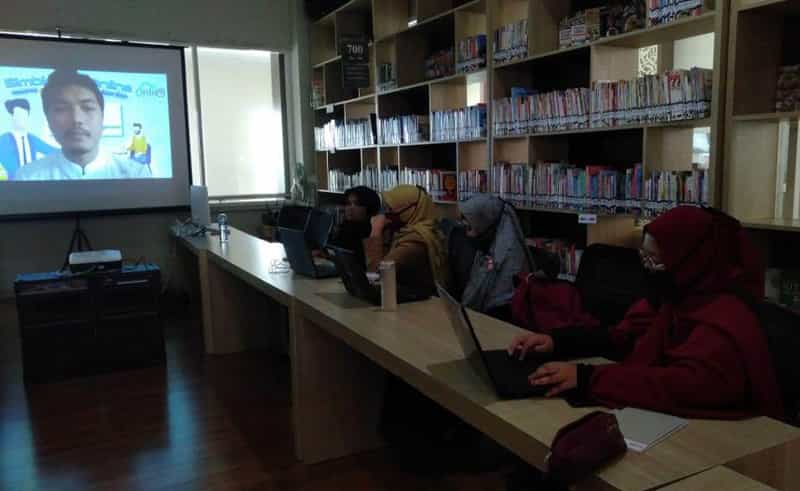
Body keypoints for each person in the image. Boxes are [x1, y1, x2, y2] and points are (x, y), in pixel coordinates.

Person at [507, 206, 784, 421]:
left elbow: (686, 386)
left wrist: (588, 378)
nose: (647, 268)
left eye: (656, 260)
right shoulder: (676, 297)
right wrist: (556, 342)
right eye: (644, 257)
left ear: (691, 263)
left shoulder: (724, 316)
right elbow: (620, 337)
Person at [15, 69, 151, 181]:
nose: (76, 119)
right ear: (48, 119)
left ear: (102, 116)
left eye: (87, 108)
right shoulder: (28, 177)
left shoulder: (135, 174)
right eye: (61, 109)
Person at [458, 195, 534, 321]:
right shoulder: (489, 240)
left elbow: (500, 304)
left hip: (503, 318)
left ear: (483, 222)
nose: (467, 234)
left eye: (470, 227)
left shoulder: (507, 252)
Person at [365, 184, 447, 292]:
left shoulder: (416, 240)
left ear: (413, 210)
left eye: (390, 209)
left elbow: (377, 275)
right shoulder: (402, 231)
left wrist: (375, 233)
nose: (387, 214)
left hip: (422, 299)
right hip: (401, 293)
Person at [0, 98, 56, 180]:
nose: (21, 119)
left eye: (24, 115)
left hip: (33, 183)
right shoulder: (4, 140)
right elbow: (11, 167)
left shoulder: (31, 138)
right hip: (13, 184)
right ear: (12, 117)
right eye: (18, 115)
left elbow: (51, 151)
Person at [327, 186, 381, 263]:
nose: (350, 208)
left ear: (369, 207)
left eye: (357, 204)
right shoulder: (345, 225)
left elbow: (370, 263)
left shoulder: (371, 229)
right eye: (348, 203)